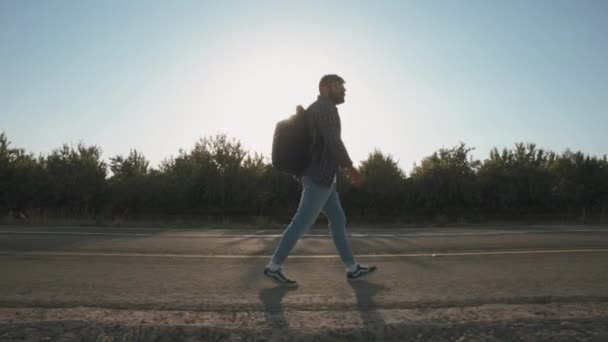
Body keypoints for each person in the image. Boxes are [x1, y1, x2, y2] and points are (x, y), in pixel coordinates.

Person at [264, 74, 377, 285]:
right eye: (338, 86)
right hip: (319, 177)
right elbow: (333, 141)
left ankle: (352, 268)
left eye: (343, 87)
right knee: (301, 223)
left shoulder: (316, 108)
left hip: (324, 178)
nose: (343, 90)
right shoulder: (325, 107)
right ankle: (274, 266)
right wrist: (351, 169)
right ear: (325, 88)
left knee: (338, 220)